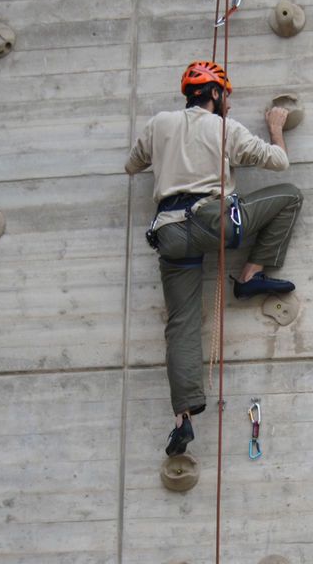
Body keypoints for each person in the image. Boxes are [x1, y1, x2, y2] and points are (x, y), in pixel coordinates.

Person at [125, 61, 303, 457]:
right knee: (290, 195)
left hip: (170, 233)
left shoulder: (159, 124)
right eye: (228, 96)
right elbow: (278, 162)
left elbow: (132, 165)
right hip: (213, 222)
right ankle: (251, 274)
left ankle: (182, 416)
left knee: (182, 324)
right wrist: (275, 126)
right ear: (217, 94)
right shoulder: (225, 128)